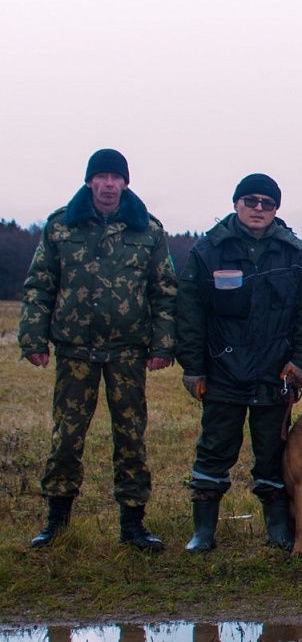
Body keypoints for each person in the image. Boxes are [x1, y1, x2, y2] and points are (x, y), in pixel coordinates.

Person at [19, 149, 177, 551]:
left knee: (131, 438)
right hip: (75, 351)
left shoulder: (148, 230)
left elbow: (164, 291)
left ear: (125, 182)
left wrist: (163, 344)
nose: (109, 184)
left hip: (127, 352)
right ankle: (56, 522)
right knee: (66, 437)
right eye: (102, 176)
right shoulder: (60, 226)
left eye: (115, 177)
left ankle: (133, 526)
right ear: (90, 181)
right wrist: (33, 339)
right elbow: (40, 285)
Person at [176, 173, 302, 552]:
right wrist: (192, 367)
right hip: (221, 372)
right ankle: (203, 532)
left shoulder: (294, 253)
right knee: (214, 449)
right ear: (236, 203)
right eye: (251, 201)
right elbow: (189, 313)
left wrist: (300, 362)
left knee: (272, 455)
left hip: (275, 374)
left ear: (275, 209)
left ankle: (277, 529)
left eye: (267, 203)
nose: (259, 208)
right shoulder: (208, 251)